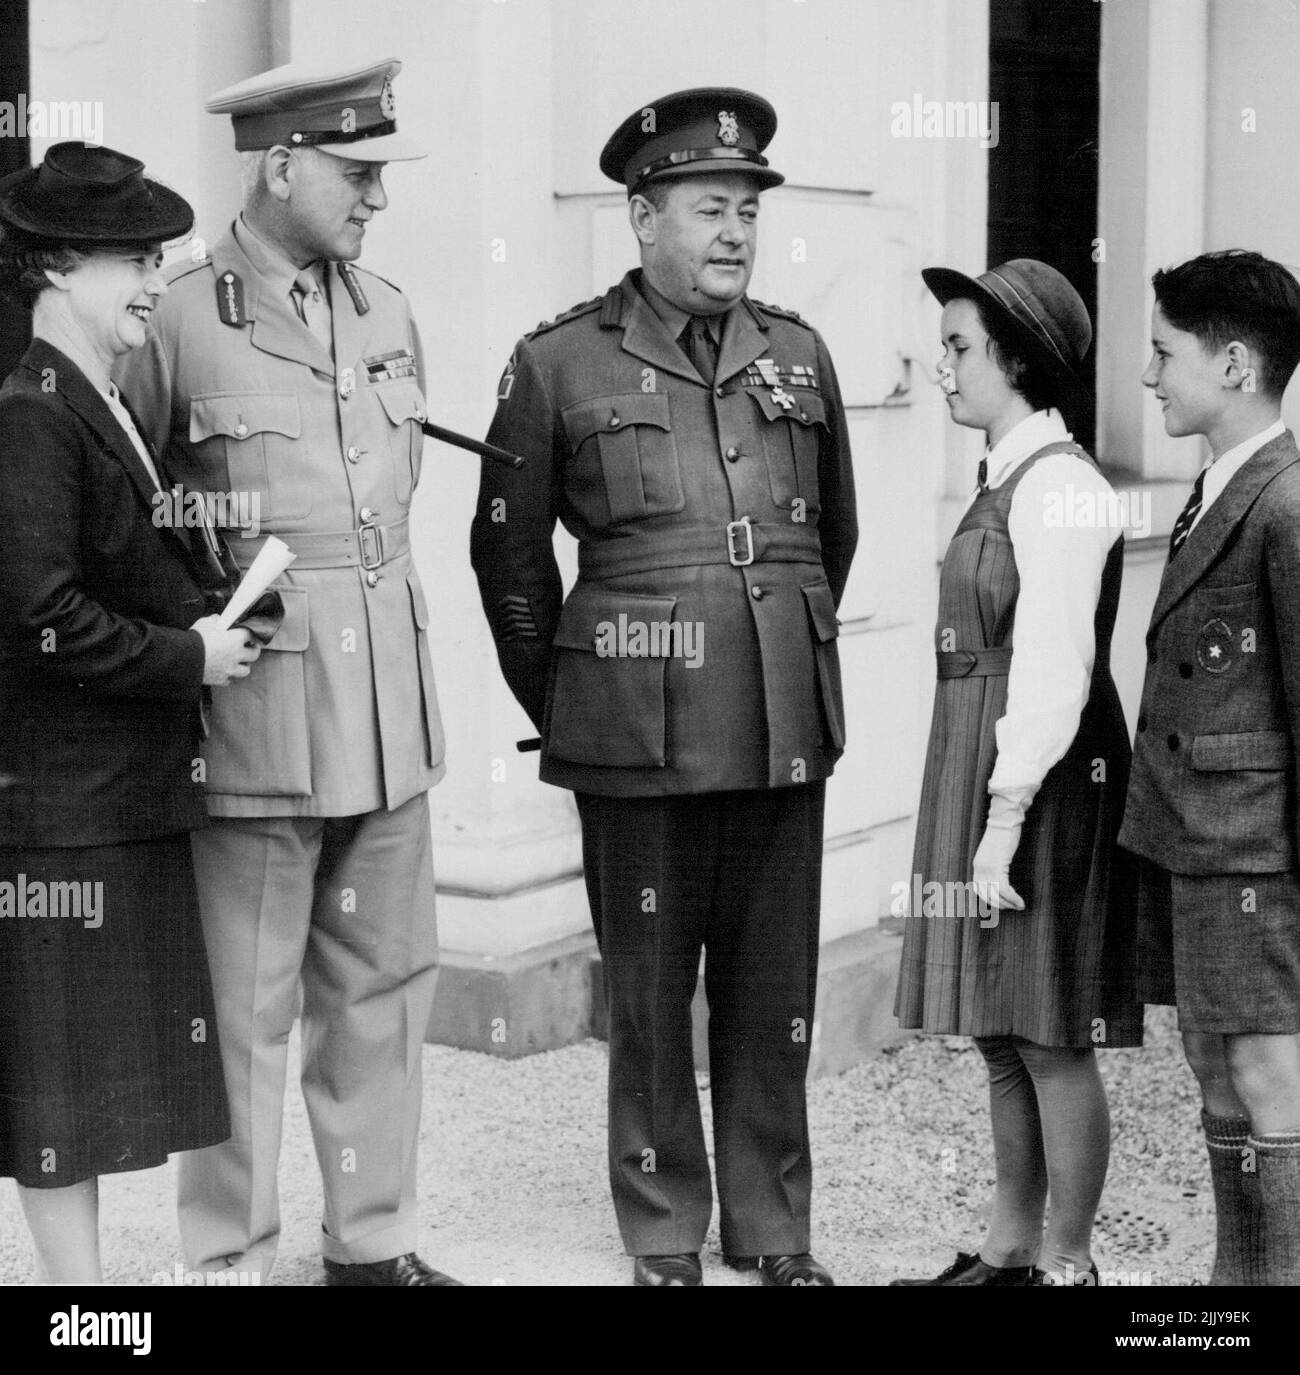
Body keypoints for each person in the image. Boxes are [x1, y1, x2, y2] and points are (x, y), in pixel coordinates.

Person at [471, 88, 856, 1287]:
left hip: (780, 716)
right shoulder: (558, 361)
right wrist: (578, 697)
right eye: (708, 208)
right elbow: (509, 558)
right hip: (631, 729)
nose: (736, 231)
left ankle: (773, 1225)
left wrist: (775, 648)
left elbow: (830, 536)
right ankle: (659, 1226)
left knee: (772, 985)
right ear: (641, 218)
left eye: (747, 209)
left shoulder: (798, 352)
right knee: (646, 993)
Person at [117, 57, 457, 1286]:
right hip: (256, 717)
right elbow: (130, 515)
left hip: (385, 723)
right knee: (244, 1016)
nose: (376, 198)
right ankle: (227, 1257)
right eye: (357, 173)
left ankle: (370, 1246)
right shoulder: (180, 319)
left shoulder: (387, 309)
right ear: (279, 166)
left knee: (384, 993)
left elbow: (393, 508)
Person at [0, 142, 263, 1283]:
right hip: (64, 812)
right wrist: (186, 657)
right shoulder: (32, 411)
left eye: (158, 256)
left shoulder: (89, 398)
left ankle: (84, 1304)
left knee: (95, 1080)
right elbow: (38, 613)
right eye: (132, 260)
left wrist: (214, 606)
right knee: (60, 1086)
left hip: (113, 798)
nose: (156, 279)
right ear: (58, 267)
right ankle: (77, 1310)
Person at [892, 259, 1143, 1287]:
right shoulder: (1005, 477)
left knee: (1048, 1031)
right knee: (1000, 1029)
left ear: (1018, 360)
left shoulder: (1065, 490)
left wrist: (1001, 818)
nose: (941, 366)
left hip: (1038, 781)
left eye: (959, 349)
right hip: (987, 765)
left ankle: (1069, 1264)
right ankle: (1008, 1253)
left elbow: (1050, 667)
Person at [1120, 249, 1300, 1287]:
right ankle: (1236, 1290)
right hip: (1198, 842)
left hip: (1253, 854)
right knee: (1215, 1074)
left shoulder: (1282, 502)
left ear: (1234, 365)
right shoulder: (1220, 488)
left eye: (1162, 353)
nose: (1148, 378)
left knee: (1268, 1078)